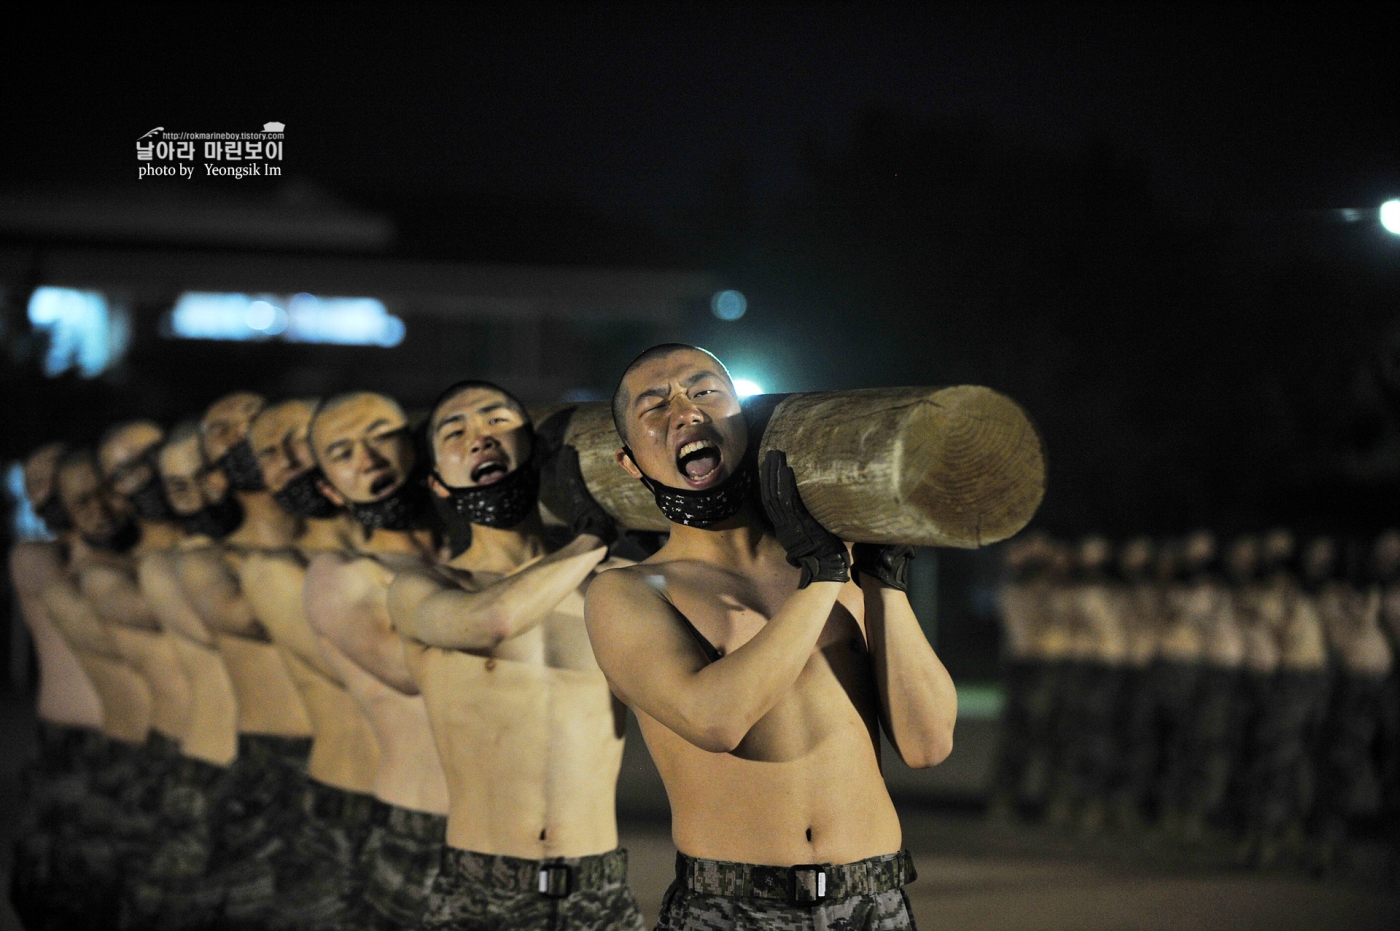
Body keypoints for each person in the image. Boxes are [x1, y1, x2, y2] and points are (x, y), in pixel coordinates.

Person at [586, 344, 956, 929]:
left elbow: (928, 744)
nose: (685, 412)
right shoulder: (628, 592)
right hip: (731, 906)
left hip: (875, 899)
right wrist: (821, 583)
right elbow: (714, 719)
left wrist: (884, 585)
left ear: (745, 424)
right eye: (655, 405)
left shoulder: (845, 572)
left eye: (705, 391)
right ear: (630, 463)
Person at [388, 380, 644, 931]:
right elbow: (493, 621)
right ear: (436, 480)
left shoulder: (610, 585)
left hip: (598, 888)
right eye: (455, 432)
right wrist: (593, 538)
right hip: (483, 891)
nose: (479, 438)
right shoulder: (423, 587)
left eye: (496, 422)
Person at [293, 391, 451, 931]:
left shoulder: (478, 561)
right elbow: (414, 672)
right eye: (343, 452)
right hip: (418, 827)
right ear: (327, 488)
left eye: (381, 435)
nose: (369, 458)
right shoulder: (341, 574)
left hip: (516, 837)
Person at [8, 443, 107, 927]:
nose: (46, 494)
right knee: (48, 889)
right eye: (35, 484)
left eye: (57, 479)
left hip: (136, 747)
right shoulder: (33, 557)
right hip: (64, 743)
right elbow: (81, 613)